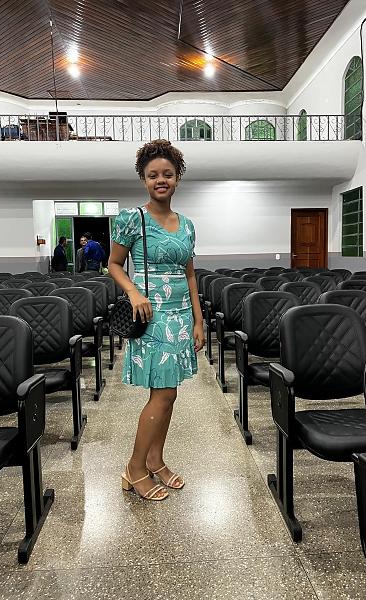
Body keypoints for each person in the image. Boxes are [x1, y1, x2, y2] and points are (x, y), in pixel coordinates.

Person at [109, 139, 205, 501]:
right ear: (144, 180)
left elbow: (190, 274)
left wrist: (198, 321)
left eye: (167, 174)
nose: (160, 180)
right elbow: (113, 264)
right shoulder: (132, 219)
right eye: (153, 175)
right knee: (162, 395)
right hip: (151, 317)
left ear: (177, 177)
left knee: (170, 394)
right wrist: (134, 293)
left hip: (180, 317)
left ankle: (155, 460)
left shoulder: (188, 225)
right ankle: (134, 469)